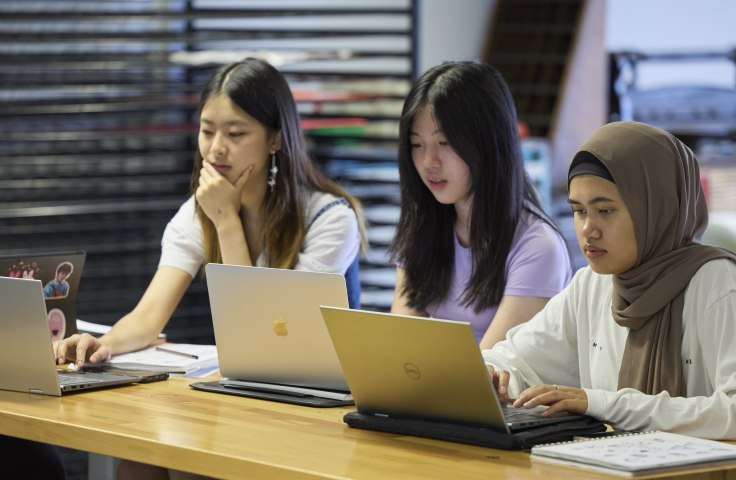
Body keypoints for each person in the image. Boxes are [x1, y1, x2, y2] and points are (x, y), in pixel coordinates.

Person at [53, 57, 365, 369]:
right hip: (255, 387)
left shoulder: (330, 219)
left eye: (235, 133)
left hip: (326, 397)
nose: (216, 148)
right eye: (207, 131)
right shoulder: (199, 213)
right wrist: (101, 345)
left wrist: (227, 222)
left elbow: (264, 337)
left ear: (275, 139)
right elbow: (147, 318)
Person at [484, 121, 736, 440]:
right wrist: (491, 372)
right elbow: (516, 359)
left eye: (605, 210)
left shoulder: (717, 283)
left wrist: (603, 403)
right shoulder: (592, 285)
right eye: (579, 211)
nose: (589, 229)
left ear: (656, 211)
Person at [389, 61, 572, 349]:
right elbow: (400, 342)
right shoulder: (423, 224)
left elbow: (489, 374)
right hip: (435, 387)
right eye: (417, 144)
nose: (429, 162)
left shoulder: (537, 246)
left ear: (489, 143)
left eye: (445, 142)